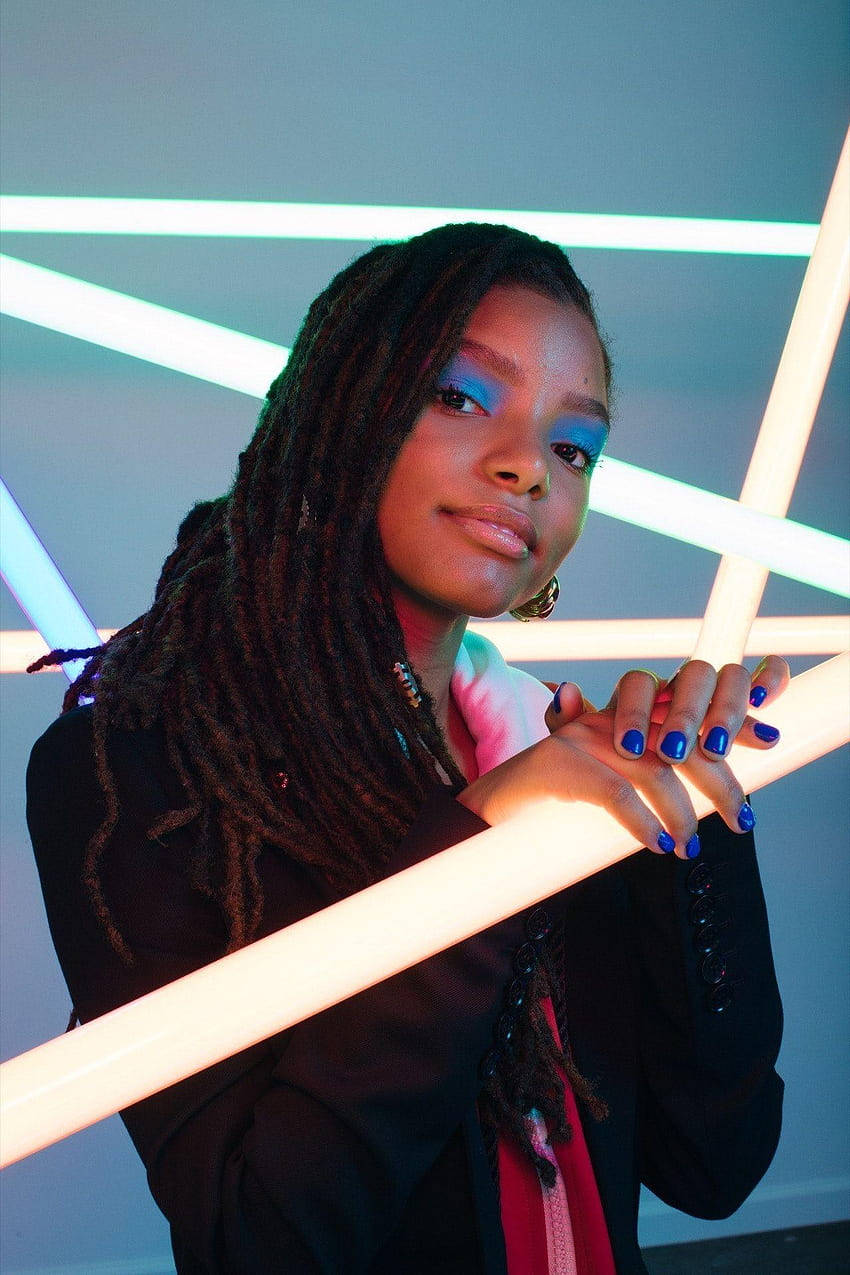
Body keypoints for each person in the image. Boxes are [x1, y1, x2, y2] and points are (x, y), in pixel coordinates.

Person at [26, 222, 786, 1275]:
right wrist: (480, 838)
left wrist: (695, 819)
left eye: (574, 448)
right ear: (341, 408)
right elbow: (264, 1242)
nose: (529, 468)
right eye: (461, 395)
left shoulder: (558, 755)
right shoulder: (139, 771)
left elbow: (714, 1168)